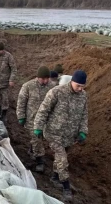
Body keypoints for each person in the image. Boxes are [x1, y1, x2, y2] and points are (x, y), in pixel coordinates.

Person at [33, 70, 89, 200]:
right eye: (78, 86)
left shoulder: (83, 96)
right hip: (54, 133)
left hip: (70, 135)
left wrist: (82, 131)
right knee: (62, 159)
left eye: (83, 86)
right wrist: (38, 127)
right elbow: (43, 110)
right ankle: (66, 186)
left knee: (60, 158)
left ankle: (55, 177)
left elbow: (84, 115)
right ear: (72, 82)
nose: (80, 89)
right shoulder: (56, 92)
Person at [15, 66, 54, 172]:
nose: (45, 81)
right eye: (43, 78)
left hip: (46, 119)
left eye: (47, 78)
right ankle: (39, 161)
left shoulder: (52, 87)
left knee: (39, 138)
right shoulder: (28, 86)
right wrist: (21, 116)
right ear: (38, 77)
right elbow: (21, 102)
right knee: (37, 139)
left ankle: (32, 149)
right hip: (32, 118)